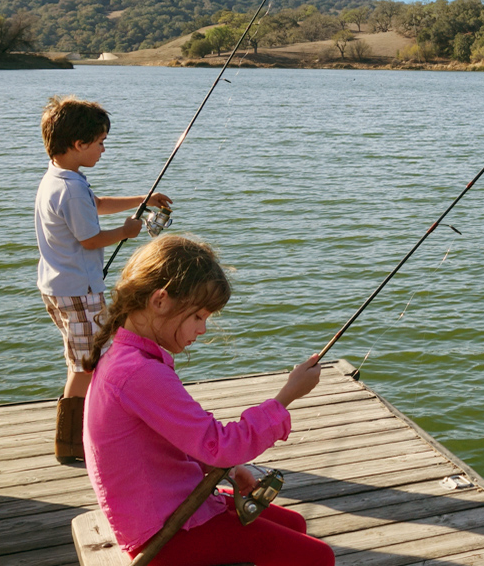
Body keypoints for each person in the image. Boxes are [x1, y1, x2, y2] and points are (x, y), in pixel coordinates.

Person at [82, 235, 334, 566]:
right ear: (160, 301)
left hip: (170, 509)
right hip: (163, 536)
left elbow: (178, 439)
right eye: (198, 316)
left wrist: (230, 470)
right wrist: (287, 395)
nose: (202, 329)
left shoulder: (126, 357)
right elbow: (219, 444)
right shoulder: (140, 373)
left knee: (295, 525)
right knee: (317, 558)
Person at [35, 94, 172, 463]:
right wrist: (127, 232)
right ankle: (73, 442)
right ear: (79, 144)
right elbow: (90, 238)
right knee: (89, 363)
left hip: (59, 287)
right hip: (80, 291)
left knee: (80, 360)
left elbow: (95, 205)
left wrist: (143, 199)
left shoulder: (60, 177)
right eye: (100, 143)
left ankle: (78, 436)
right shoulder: (70, 187)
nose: (103, 150)